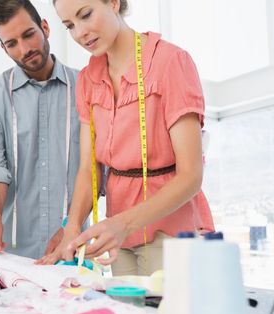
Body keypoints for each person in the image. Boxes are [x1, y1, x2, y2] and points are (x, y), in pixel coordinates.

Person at [38, 0, 214, 275]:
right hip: (118, 238)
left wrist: (122, 224)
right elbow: (89, 168)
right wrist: (71, 229)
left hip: (172, 231)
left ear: (113, 2)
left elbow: (191, 175)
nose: (80, 33)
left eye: (86, 15)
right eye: (70, 25)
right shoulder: (88, 80)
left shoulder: (169, 63)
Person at [0, 0, 82, 259]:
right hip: (10, 255)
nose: (24, 49)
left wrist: (70, 227)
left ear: (44, 27)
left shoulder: (86, 87)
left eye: (29, 35)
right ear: (3, 47)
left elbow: (95, 170)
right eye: (12, 44)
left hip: (72, 251)